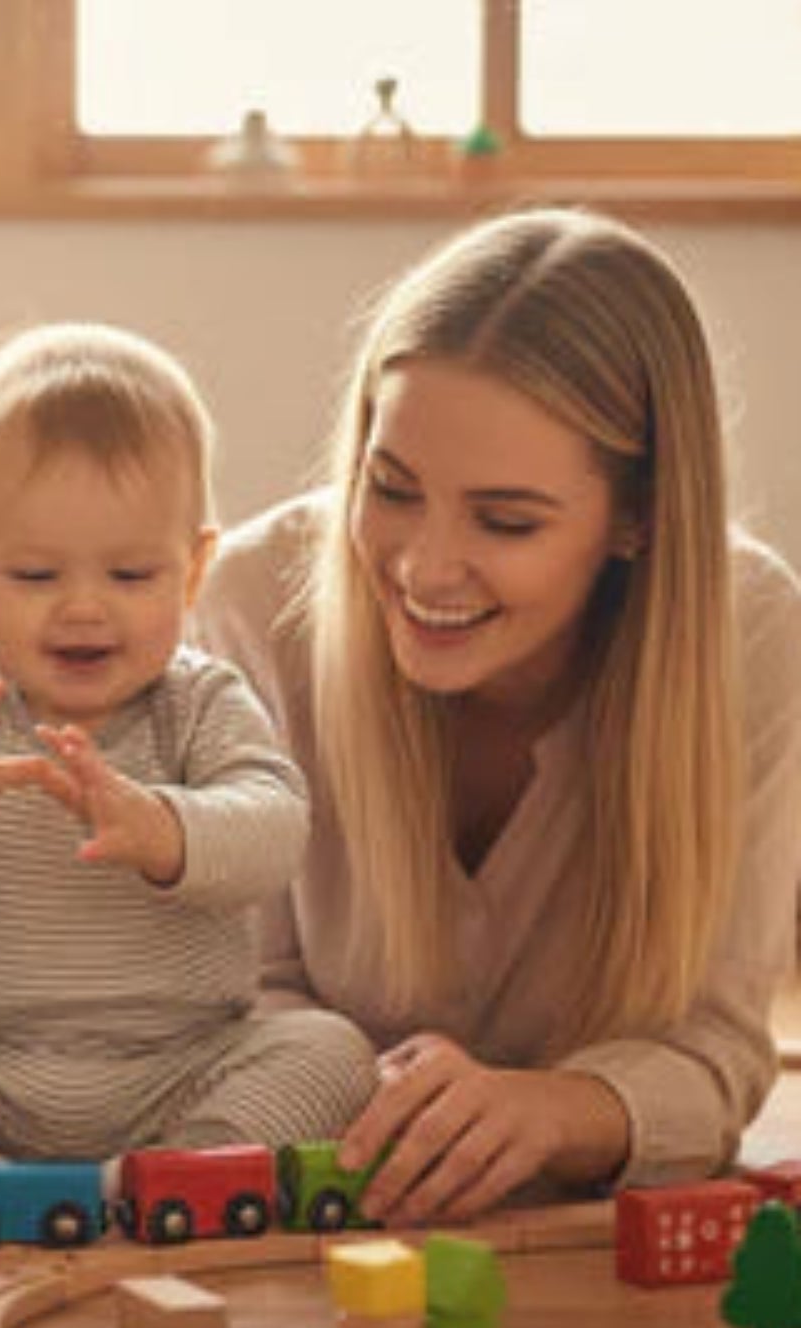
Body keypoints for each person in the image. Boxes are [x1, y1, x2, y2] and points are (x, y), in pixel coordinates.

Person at [195, 208, 801, 1225]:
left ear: (637, 516)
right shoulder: (253, 605)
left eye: (506, 521)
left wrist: (557, 1109)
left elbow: (715, 1046)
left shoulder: (749, 636)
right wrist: (369, 1090)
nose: (423, 567)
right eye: (389, 489)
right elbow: (214, 997)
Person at [0, 323, 378, 1177]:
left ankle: (191, 1166)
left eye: (131, 576)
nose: (84, 609)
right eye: (36, 577)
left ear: (194, 572)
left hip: (183, 1065)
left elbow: (275, 833)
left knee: (333, 1050)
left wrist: (163, 825)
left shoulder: (200, 705)